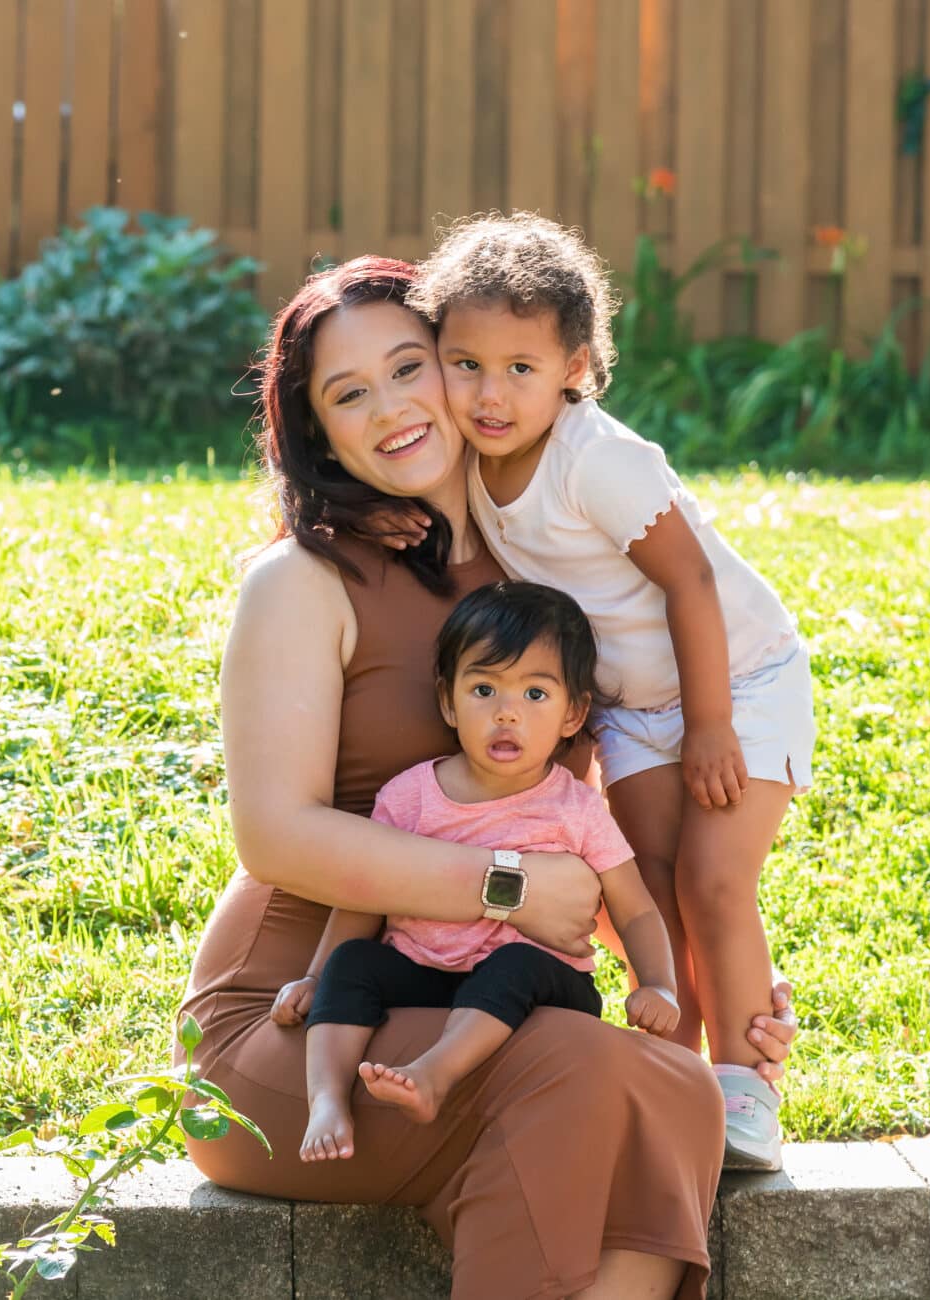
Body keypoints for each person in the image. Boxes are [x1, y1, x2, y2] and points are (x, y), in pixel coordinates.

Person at [178, 255, 796, 1300]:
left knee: (675, 1090)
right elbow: (275, 837)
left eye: (409, 368)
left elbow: (576, 844)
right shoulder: (299, 582)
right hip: (298, 1019)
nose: (390, 410)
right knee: (577, 1066)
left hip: (473, 1006)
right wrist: (500, 884)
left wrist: (706, 986)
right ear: (316, 430)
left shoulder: (541, 579)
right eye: (346, 393)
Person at [403, 212, 816, 1170]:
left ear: (575, 367)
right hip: (631, 707)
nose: (490, 394)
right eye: (464, 364)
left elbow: (692, 580)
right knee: (653, 892)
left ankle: (750, 1091)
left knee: (718, 879)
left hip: (739, 680)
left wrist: (711, 725)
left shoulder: (600, 460)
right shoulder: (468, 466)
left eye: (520, 369)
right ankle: (675, 1076)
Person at [273, 580, 681, 1164]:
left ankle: (434, 1075)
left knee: (511, 963)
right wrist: (316, 977)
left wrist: (656, 983)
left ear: (574, 714)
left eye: (536, 694)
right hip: (426, 972)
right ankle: (327, 1100)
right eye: (484, 688)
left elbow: (634, 905)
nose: (507, 711)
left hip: (542, 984)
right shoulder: (410, 797)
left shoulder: (577, 810)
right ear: (448, 702)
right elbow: (364, 897)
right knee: (354, 963)